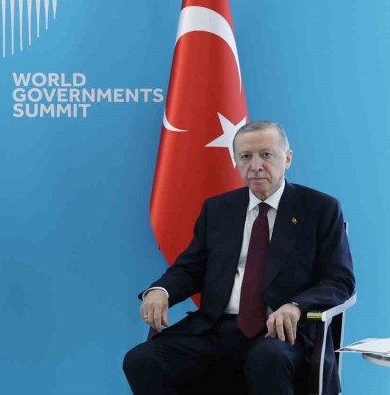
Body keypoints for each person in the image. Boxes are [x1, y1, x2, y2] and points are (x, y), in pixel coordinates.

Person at [122, 121, 355, 395]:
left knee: (267, 359)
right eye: (245, 156)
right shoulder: (219, 209)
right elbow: (191, 268)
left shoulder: (320, 208)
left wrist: (295, 306)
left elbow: (339, 280)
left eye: (266, 155)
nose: (256, 166)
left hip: (283, 332)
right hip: (217, 328)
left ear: (287, 158)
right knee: (141, 360)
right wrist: (160, 291)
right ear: (235, 161)